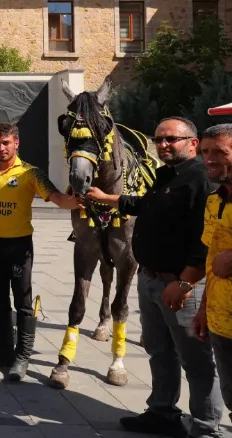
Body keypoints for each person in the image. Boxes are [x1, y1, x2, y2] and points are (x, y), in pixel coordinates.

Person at [88, 117, 223, 437]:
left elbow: (206, 239)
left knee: (196, 359)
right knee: (159, 350)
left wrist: (187, 282)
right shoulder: (166, 175)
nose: (163, 145)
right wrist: (108, 198)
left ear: (193, 142)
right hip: (151, 280)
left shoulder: (201, 178)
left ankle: (206, 426)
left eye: (171, 139)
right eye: (159, 139)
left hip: (181, 284)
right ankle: (162, 412)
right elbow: (145, 205)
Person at [0, 122, 78, 381]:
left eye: (6, 143)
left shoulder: (30, 173)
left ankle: (22, 357)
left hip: (19, 246)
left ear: (16, 143)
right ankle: (3, 351)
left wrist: (80, 200)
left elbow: (58, 198)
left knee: (22, 303)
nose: (1, 148)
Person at [194, 124, 232, 429]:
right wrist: (204, 307)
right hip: (221, 320)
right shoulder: (214, 201)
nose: (209, 159)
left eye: (219, 152)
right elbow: (211, 261)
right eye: (205, 152)